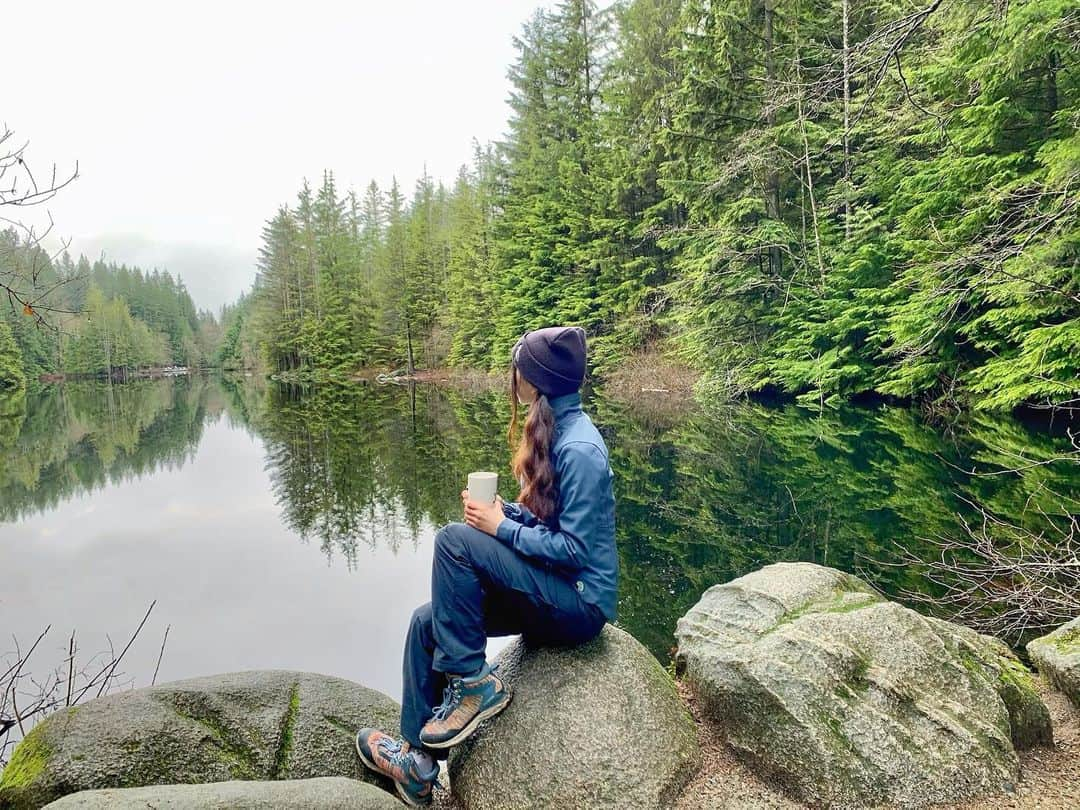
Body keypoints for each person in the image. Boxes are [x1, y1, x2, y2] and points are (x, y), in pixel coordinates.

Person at [355, 326, 618, 806]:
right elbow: (550, 524)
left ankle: (475, 685)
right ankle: (416, 764)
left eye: (518, 368)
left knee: (454, 542)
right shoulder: (558, 431)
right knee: (425, 623)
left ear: (535, 381)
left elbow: (576, 552)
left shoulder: (580, 450)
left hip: (579, 605)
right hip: (552, 587)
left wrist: (500, 529)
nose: (512, 376)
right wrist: (505, 513)